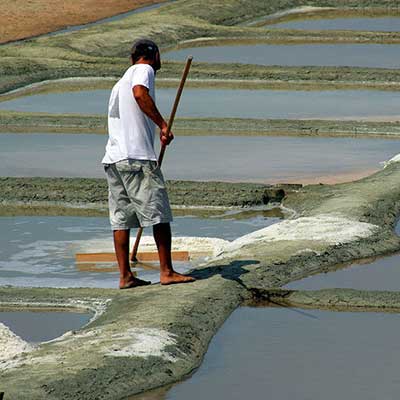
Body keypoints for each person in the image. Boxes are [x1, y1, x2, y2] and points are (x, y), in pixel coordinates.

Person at [102, 38, 195, 289]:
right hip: (137, 158)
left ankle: (125, 276)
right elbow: (140, 94)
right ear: (152, 55)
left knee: (121, 219)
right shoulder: (144, 70)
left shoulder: (119, 82)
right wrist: (162, 125)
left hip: (114, 159)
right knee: (158, 214)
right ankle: (167, 271)